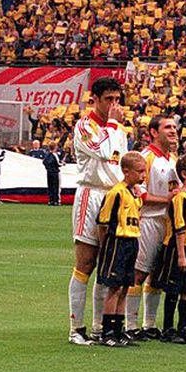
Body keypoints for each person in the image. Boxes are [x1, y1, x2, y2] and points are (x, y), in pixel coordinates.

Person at [67, 77, 128, 346]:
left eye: (117, 100)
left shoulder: (119, 130)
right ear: (95, 99)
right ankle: (75, 328)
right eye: (109, 99)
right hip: (91, 194)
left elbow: (120, 163)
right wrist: (113, 124)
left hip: (114, 197)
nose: (114, 105)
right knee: (86, 263)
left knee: (109, 264)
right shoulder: (85, 125)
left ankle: (99, 327)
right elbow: (103, 151)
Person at [128, 116, 179, 340]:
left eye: (175, 127)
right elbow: (139, 192)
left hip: (166, 222)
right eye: (167, 127)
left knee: (157, 274)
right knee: (139, 272)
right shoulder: (146, 157)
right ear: (153, 132)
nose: (173, 131)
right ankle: (130, 324)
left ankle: (149, 323)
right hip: (148, 220)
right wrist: (167, 199)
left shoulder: (172, 159)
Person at [94, 152, 146, 347]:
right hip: (117, 242)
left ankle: (118, 329)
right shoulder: (116, 193)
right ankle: (106, 331)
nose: (143, 175)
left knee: (125, 287)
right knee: (114, 288)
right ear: (126, 171)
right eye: (139, 172)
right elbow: (103, 221)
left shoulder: (136, 194)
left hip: (132, 241)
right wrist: (104, 246)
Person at [153, 153, 186, 344]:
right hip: (177, 248)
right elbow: (179, 226)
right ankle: (168, 328)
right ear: (184, 174)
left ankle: (183, 326)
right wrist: (181, 255)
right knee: (173, 288)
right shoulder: (180, 198)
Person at [42, 141, 62, 205]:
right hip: (55, 172)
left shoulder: (47, 154)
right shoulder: (54, 154)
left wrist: (48, 168)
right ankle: (56, 200)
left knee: (50, 186)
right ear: (55, 147)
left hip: (49, 172)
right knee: (56, 186)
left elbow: (44, 162)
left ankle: (51, 200)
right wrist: (62, 164)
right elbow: (58, 163)